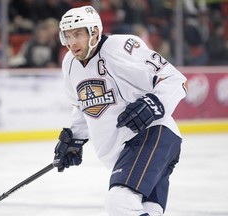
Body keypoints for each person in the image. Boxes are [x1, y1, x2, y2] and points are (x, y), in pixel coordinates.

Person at [52, 5, 188, 216]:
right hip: (127, 150)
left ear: (94, 32)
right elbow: (81, 106)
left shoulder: (121, 47)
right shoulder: (69, 64)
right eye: (67, 36)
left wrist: (153, 104)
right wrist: (74, 140)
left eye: (77, 34)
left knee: (120, 202)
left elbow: (175, 80)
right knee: (146, 210)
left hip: (152, 136)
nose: (71, 43)